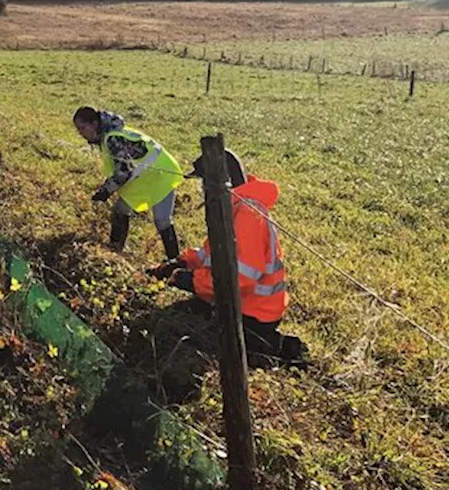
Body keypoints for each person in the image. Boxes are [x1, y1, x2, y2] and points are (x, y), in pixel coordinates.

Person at [148, 149, 307, 367]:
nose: (202, 189)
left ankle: (281, 350)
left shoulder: (247, 216)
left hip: (255, 312)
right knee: (182, 316)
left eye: (204, 183)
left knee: (212, 346)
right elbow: (211, 255)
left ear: (223, 183)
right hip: (234, 301)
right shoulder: (232, 209)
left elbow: (241, 277)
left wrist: (192, 281)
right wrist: (181, 263)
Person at [72, 106, 183, 260]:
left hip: (160, 175)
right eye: (78, 130)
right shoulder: (109, 136)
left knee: (162, 221)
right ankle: (115, 252)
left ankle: (174, 262)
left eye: (83, 128)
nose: (81, 133)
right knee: (120, 210)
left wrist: (106, 190)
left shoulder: (113, 139)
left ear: (95, 124)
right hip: (147, 178)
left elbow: (123, 171)